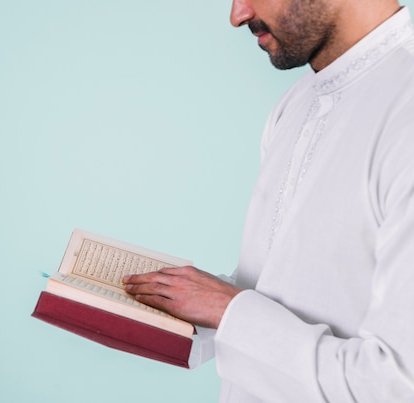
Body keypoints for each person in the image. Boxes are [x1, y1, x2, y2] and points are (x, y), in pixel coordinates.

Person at [123, 0, 414, 401]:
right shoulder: (296, 104)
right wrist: (170, 309)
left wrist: (227, 311)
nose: (238, 15)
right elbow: (277, 293)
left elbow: (398, 385)